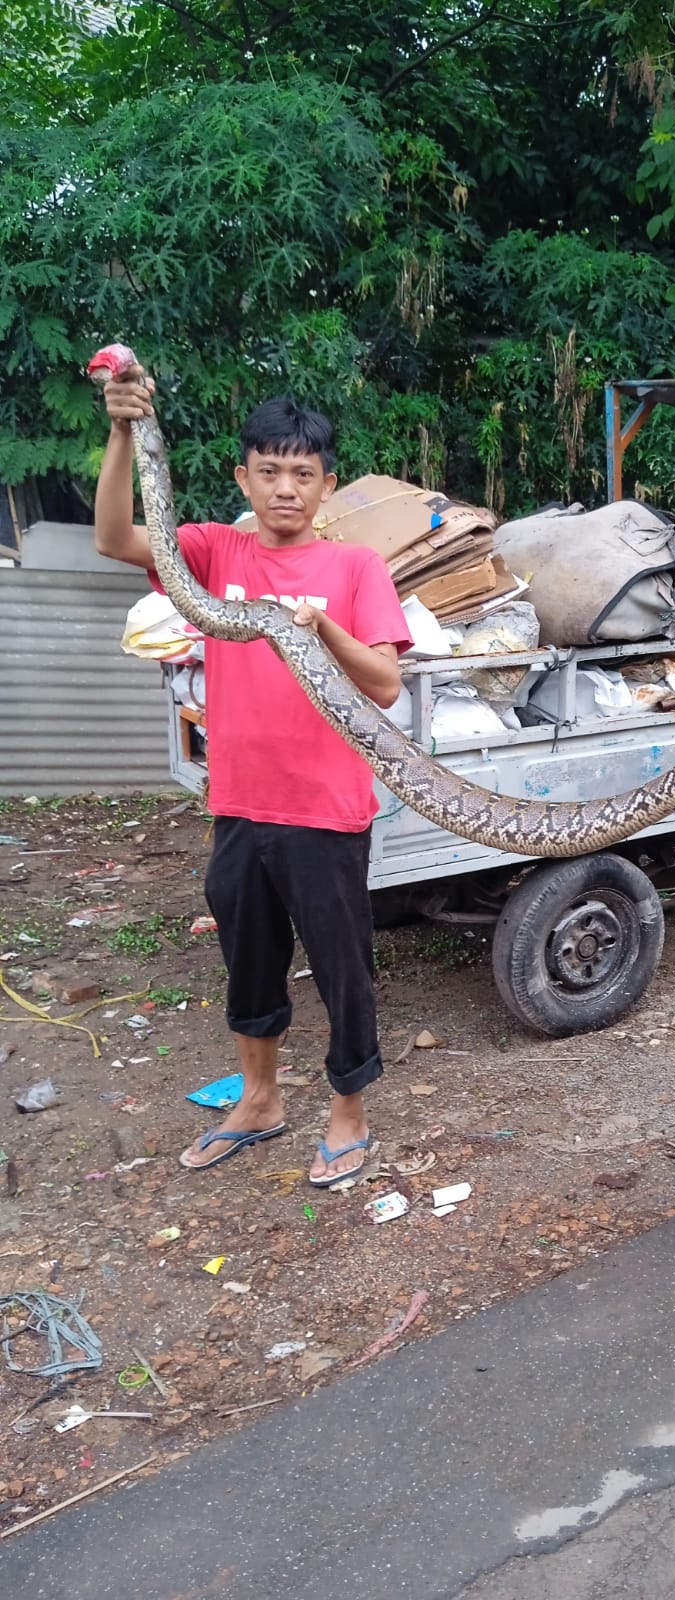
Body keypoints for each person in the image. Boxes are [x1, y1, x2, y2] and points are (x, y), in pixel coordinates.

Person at [94, 362, 412, 1187]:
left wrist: (316, 631)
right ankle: (261, 1100)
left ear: (326, 485)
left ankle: (349, 1114)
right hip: (239, 804)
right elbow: (115, 537)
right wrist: (126, 430)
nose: (284, 489)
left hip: (326, 811)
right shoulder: (211, 549)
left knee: (344, 968)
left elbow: (383, 683)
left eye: (302, 474)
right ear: (244, 475)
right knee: (249, 961)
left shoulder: (354, 571)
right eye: (268, 472)